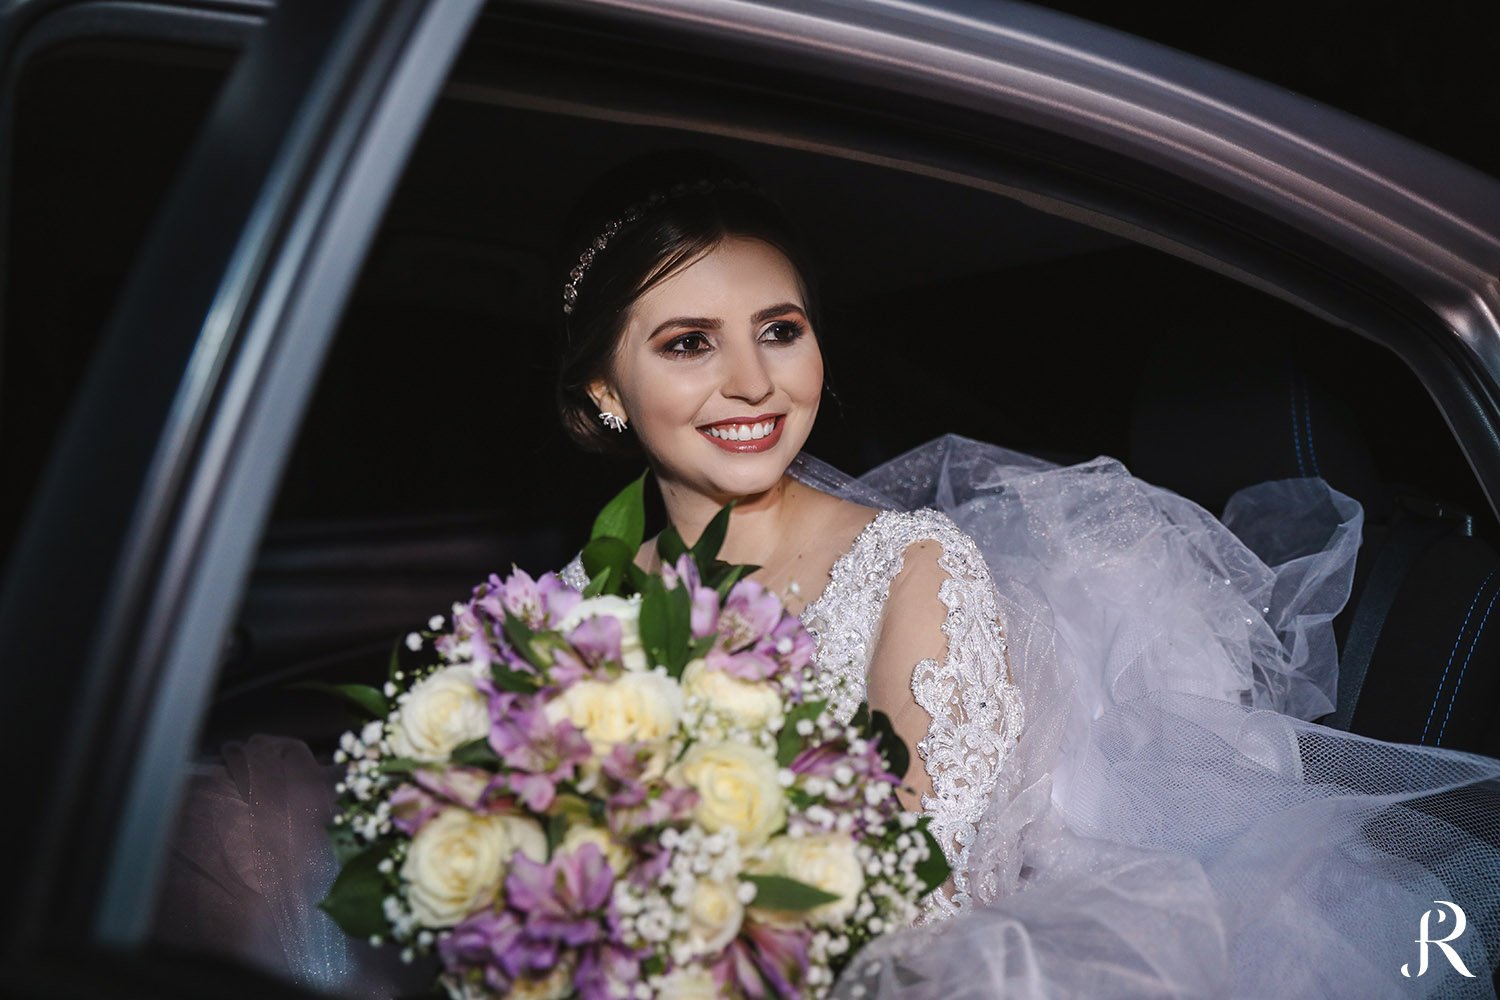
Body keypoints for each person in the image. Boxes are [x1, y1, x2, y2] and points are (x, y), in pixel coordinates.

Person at [157, 149, 1500, 999]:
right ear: (603, 392)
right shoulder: (582, 596)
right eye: (689, 342)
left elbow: (922, 894)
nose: (752, 381)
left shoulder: (915, 569)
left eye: (781, 329)